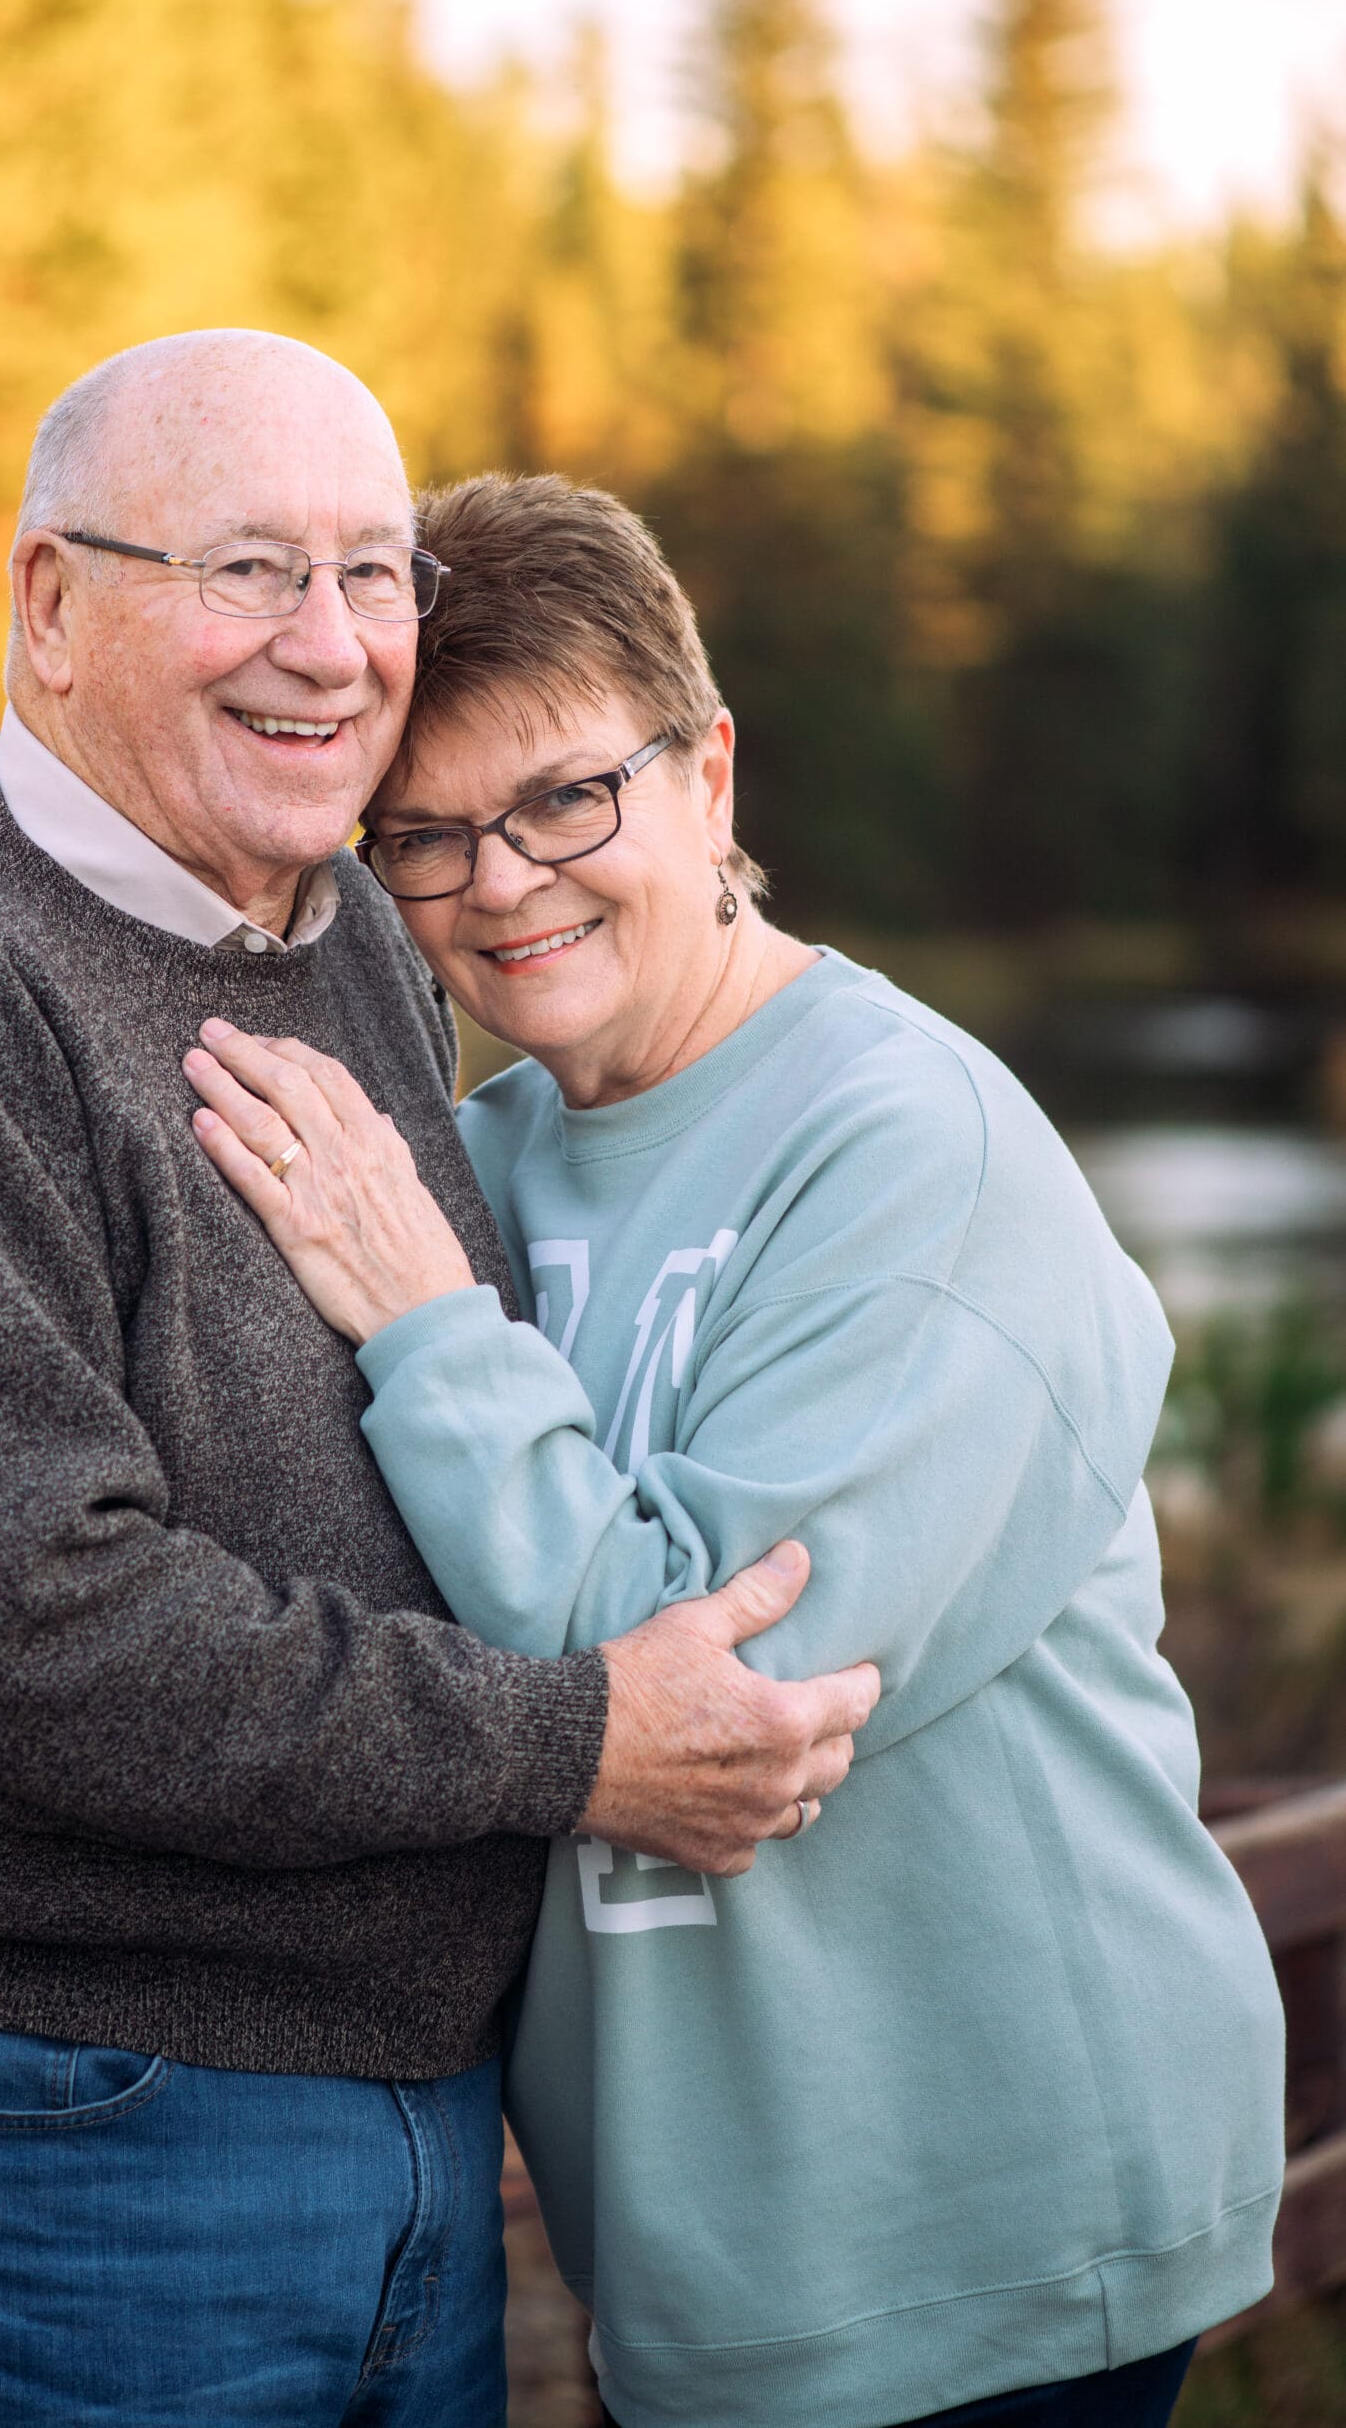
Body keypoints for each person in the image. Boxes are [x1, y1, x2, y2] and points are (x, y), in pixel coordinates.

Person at [0, 340, 880, 2428]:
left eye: (371, 570)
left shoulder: (331, 923)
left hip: (398, 2122)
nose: (331, 649)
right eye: (250, 569)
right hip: (67, 2136)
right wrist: (573, 1741)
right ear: (49, 602)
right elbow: (15, 1628)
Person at [184, 471, 1288, 2428]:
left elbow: (723, 1695)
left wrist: (429, 1326)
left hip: (980, 2232)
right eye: (421, 838)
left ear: (705, 770)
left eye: (563, 799)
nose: (498, 883)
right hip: (699, 2252)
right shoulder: (470, 1168)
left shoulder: (910, 1148)